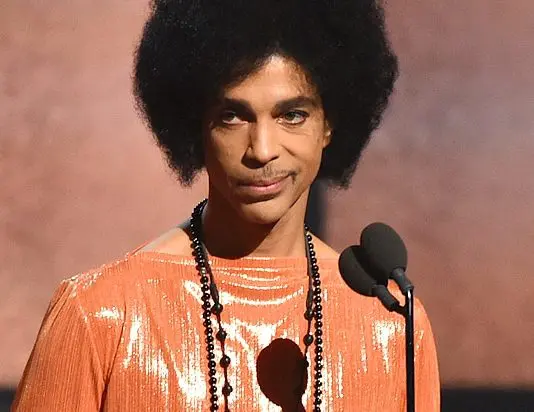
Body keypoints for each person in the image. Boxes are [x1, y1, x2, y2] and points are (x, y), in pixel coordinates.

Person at [12, 0, 440, 410]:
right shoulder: (101, 312)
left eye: (292, 115)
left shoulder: (391, 325)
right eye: (233, 116)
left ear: (329, 125)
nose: (262, 149)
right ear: (195, 126)